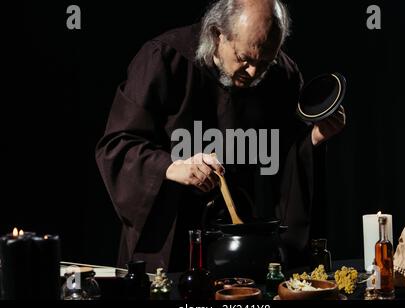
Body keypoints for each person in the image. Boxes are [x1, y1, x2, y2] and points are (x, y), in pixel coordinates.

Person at [95, 0, 345, 273]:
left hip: (245, 250)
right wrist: (171, 167)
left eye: (265, 61)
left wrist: (312, 140)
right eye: (245, 59)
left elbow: (286, 159)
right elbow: (117, 146)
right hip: (172, 244)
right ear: (217, 35)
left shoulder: (281, 74)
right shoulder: (165, 58)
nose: (254, 72)